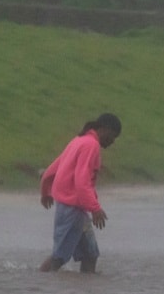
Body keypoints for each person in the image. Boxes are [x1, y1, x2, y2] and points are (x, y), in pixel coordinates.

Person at [38, 113, 121, 273]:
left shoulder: (79, 140)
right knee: (58, 257)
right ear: (105, 129)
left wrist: (45, 190)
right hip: (71, 209)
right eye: (113, 136)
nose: (112, 141)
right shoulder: (91, 145)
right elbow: (82, 181)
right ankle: (39, 285)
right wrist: (95, 208)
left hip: (76, 208)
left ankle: (86, 293)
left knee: (90, 254)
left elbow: (54, 167)